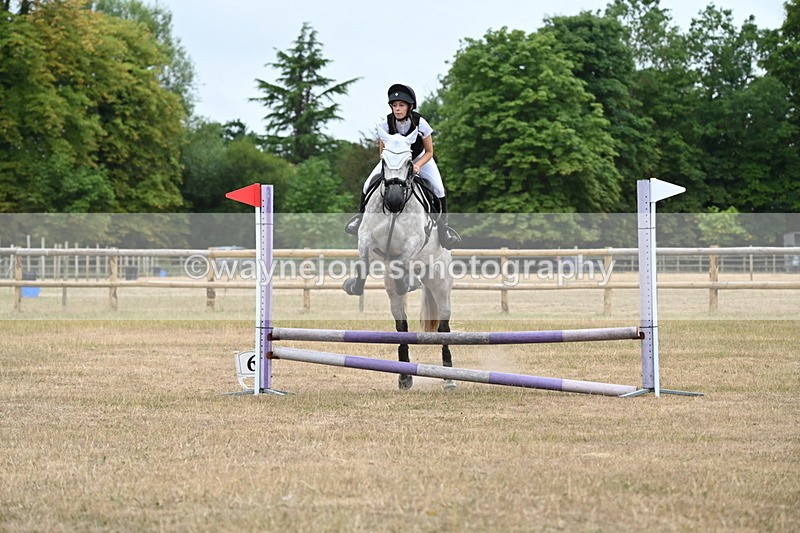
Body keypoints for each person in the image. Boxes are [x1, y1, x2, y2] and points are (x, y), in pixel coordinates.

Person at [345, 83, 461, 249]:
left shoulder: (421, 123)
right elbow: (382, 153)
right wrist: (395, 166)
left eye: (401, 105)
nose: (397, 109)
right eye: (394, 105)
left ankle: (444, 230)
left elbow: (429, 151)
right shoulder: (386, 124)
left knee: (439, 189)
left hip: (420, 158)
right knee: (367, 184)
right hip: (394, 162)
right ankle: (360, 218)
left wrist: (417, 165)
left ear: (410, 107)